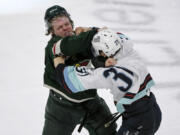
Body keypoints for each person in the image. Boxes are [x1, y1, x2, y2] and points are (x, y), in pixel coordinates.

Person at [53, 29, 162, 135]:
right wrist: (89, 29)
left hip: (138, 122)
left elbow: (70, 80)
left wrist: (59, 64)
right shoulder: (125, 44)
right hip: (152, 109)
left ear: (104, 55)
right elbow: (107, 33)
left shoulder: (111, 74)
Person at [42, 5, 117, 135]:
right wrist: (95, 31)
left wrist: (104, 59)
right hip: (61, 108)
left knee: (109, 132)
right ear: (52, 31)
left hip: (90, 103)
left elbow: (91, 61)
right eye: (59, 27)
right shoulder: (53, 47)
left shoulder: (81, 38)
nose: (65, 28)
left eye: (66, 24)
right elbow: (71, 45)